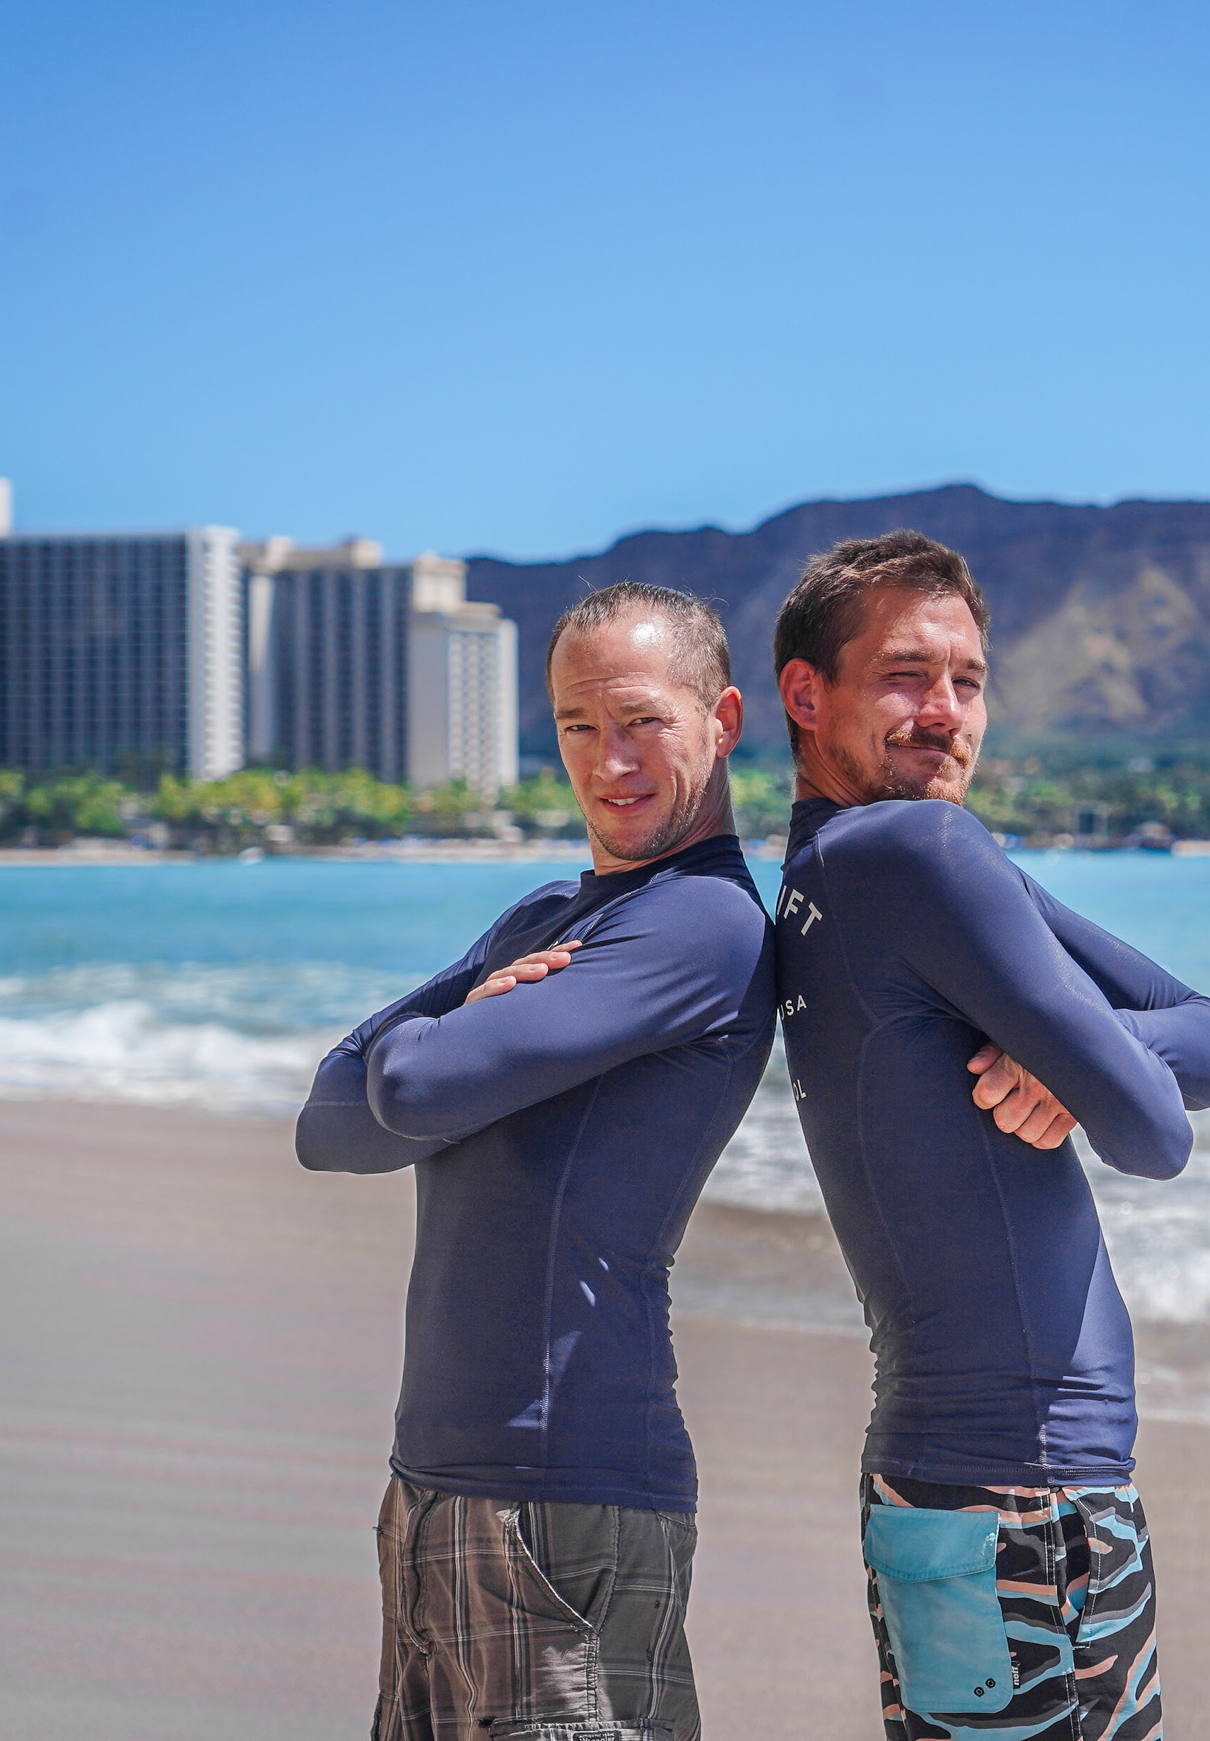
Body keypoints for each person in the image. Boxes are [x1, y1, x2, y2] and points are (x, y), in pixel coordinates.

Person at [770, 531, 1210, 1741]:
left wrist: (1073, 1056)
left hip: (937, 1491)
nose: (944, 712)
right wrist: (1099, 1067)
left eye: (968, 680)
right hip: (1029, 1510)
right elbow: (1156, 1134)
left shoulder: (829, 871)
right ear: (801, 694)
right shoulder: (929, 851)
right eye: (904, 674)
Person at [297, 582, 775, 1741]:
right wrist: (453, 1024)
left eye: (640, 720)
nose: (607, 759)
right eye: (575, 726)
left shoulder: (702, 924)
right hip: (437, 1481)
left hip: (567, 1495)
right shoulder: (543, 920)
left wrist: (433, 1040)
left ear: (722, 718)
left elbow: (401, 1085)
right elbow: (329, 1122)